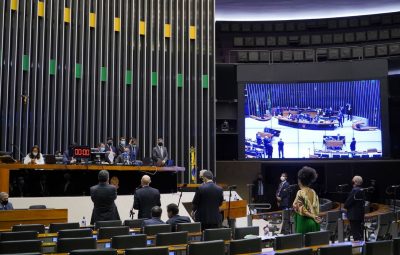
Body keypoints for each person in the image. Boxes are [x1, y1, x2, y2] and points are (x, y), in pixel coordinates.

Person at [293, 166, 321, 234]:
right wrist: (314, 216)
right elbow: (316, 208)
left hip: (304, 224)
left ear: (300, 181)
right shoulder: (313, 192)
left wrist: (312, 216)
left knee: (303, 243)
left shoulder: (300, 192)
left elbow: (302, 209)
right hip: (315, 223)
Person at [344, 176, 365, 241]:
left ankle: (358, 248)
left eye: (353, 180)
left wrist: (345, 206)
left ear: (355, 182)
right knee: (360, 232)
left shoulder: (354, 190)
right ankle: (362, 248)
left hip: (353, 215)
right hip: (360, 214)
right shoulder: (362, 190)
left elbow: (348, 202)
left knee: (355, 234)